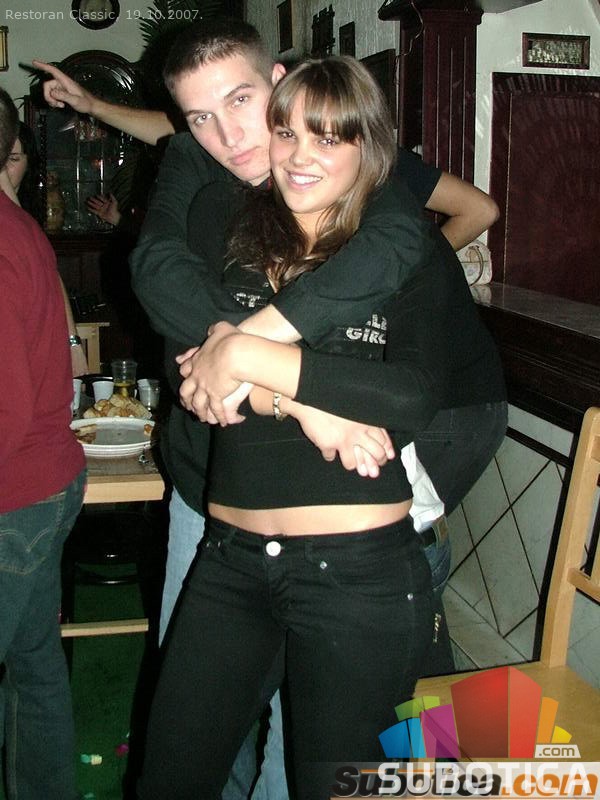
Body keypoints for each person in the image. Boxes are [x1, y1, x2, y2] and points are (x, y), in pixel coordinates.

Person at [35, 21, 505, 799]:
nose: (241, 140)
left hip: (366, 543)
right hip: (233, 548)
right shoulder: (227, 213)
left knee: (322, 757)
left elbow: (409, 397)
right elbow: (167, 298)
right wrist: (294, 393)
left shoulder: (390, 232)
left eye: (244, 104)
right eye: (203, 117)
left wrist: (245, 356)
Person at [0, 87, 86, 800]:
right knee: (34, 667)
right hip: (42, 484)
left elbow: (5, 402)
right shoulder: (16, 224)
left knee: (32, 666)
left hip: (13, 495)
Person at [1, 121, 89, 377]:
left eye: (13, 159)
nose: (4, 168)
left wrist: (72, 342)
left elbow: (50, 273)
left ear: (29, 163)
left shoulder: (27, 209)